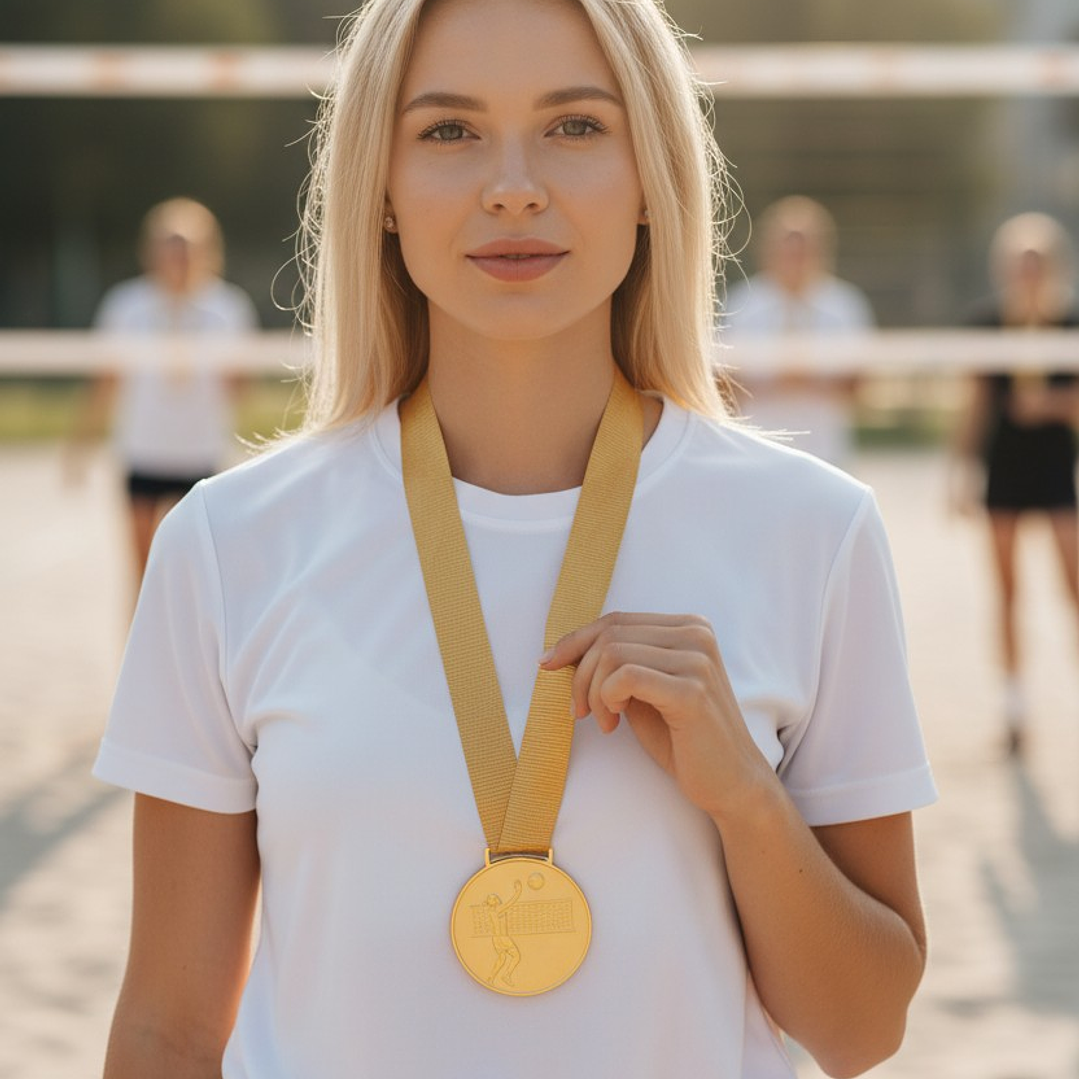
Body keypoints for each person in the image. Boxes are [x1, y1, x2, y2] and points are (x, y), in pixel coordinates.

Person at [93, 1, 936, 1076]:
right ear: (381, 191)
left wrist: (747, 802)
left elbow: (861, 1031)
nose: (512, 184)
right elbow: (165, 1027)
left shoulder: (812, 533)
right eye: (447, 131)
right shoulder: (227, 543)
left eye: (575, 126)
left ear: (649, 180)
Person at [70, 198, 259, 585]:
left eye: (187, 247)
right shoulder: (126, 306)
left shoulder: (227, 308)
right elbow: (104, 383)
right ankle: (140, 647)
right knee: (143, 575)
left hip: (202, 457)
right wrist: (79, 445)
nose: (179, 257)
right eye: (170, 246)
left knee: (201, 577)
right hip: (144, 453)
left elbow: (241, 391)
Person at [951, 212, 1079, 756]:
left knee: (1073, 586)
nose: (1027, 272)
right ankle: (1014, 708)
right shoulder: (987, 324)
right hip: (1004, 466)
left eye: (1036, 263)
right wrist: (959, 471)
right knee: (1007, 592)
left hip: (1054, 467)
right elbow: (975, 404)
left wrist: (1050, 403)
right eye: (1018, 263)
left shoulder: (1070, 323)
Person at [722, 196, 876, 470]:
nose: (795, 257)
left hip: (826, 451)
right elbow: (723, 384)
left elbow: (860, 383)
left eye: (804, 247)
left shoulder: (845, 306)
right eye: (787, 247)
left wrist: (798, 380)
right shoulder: (740, 305)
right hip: (756, 448)